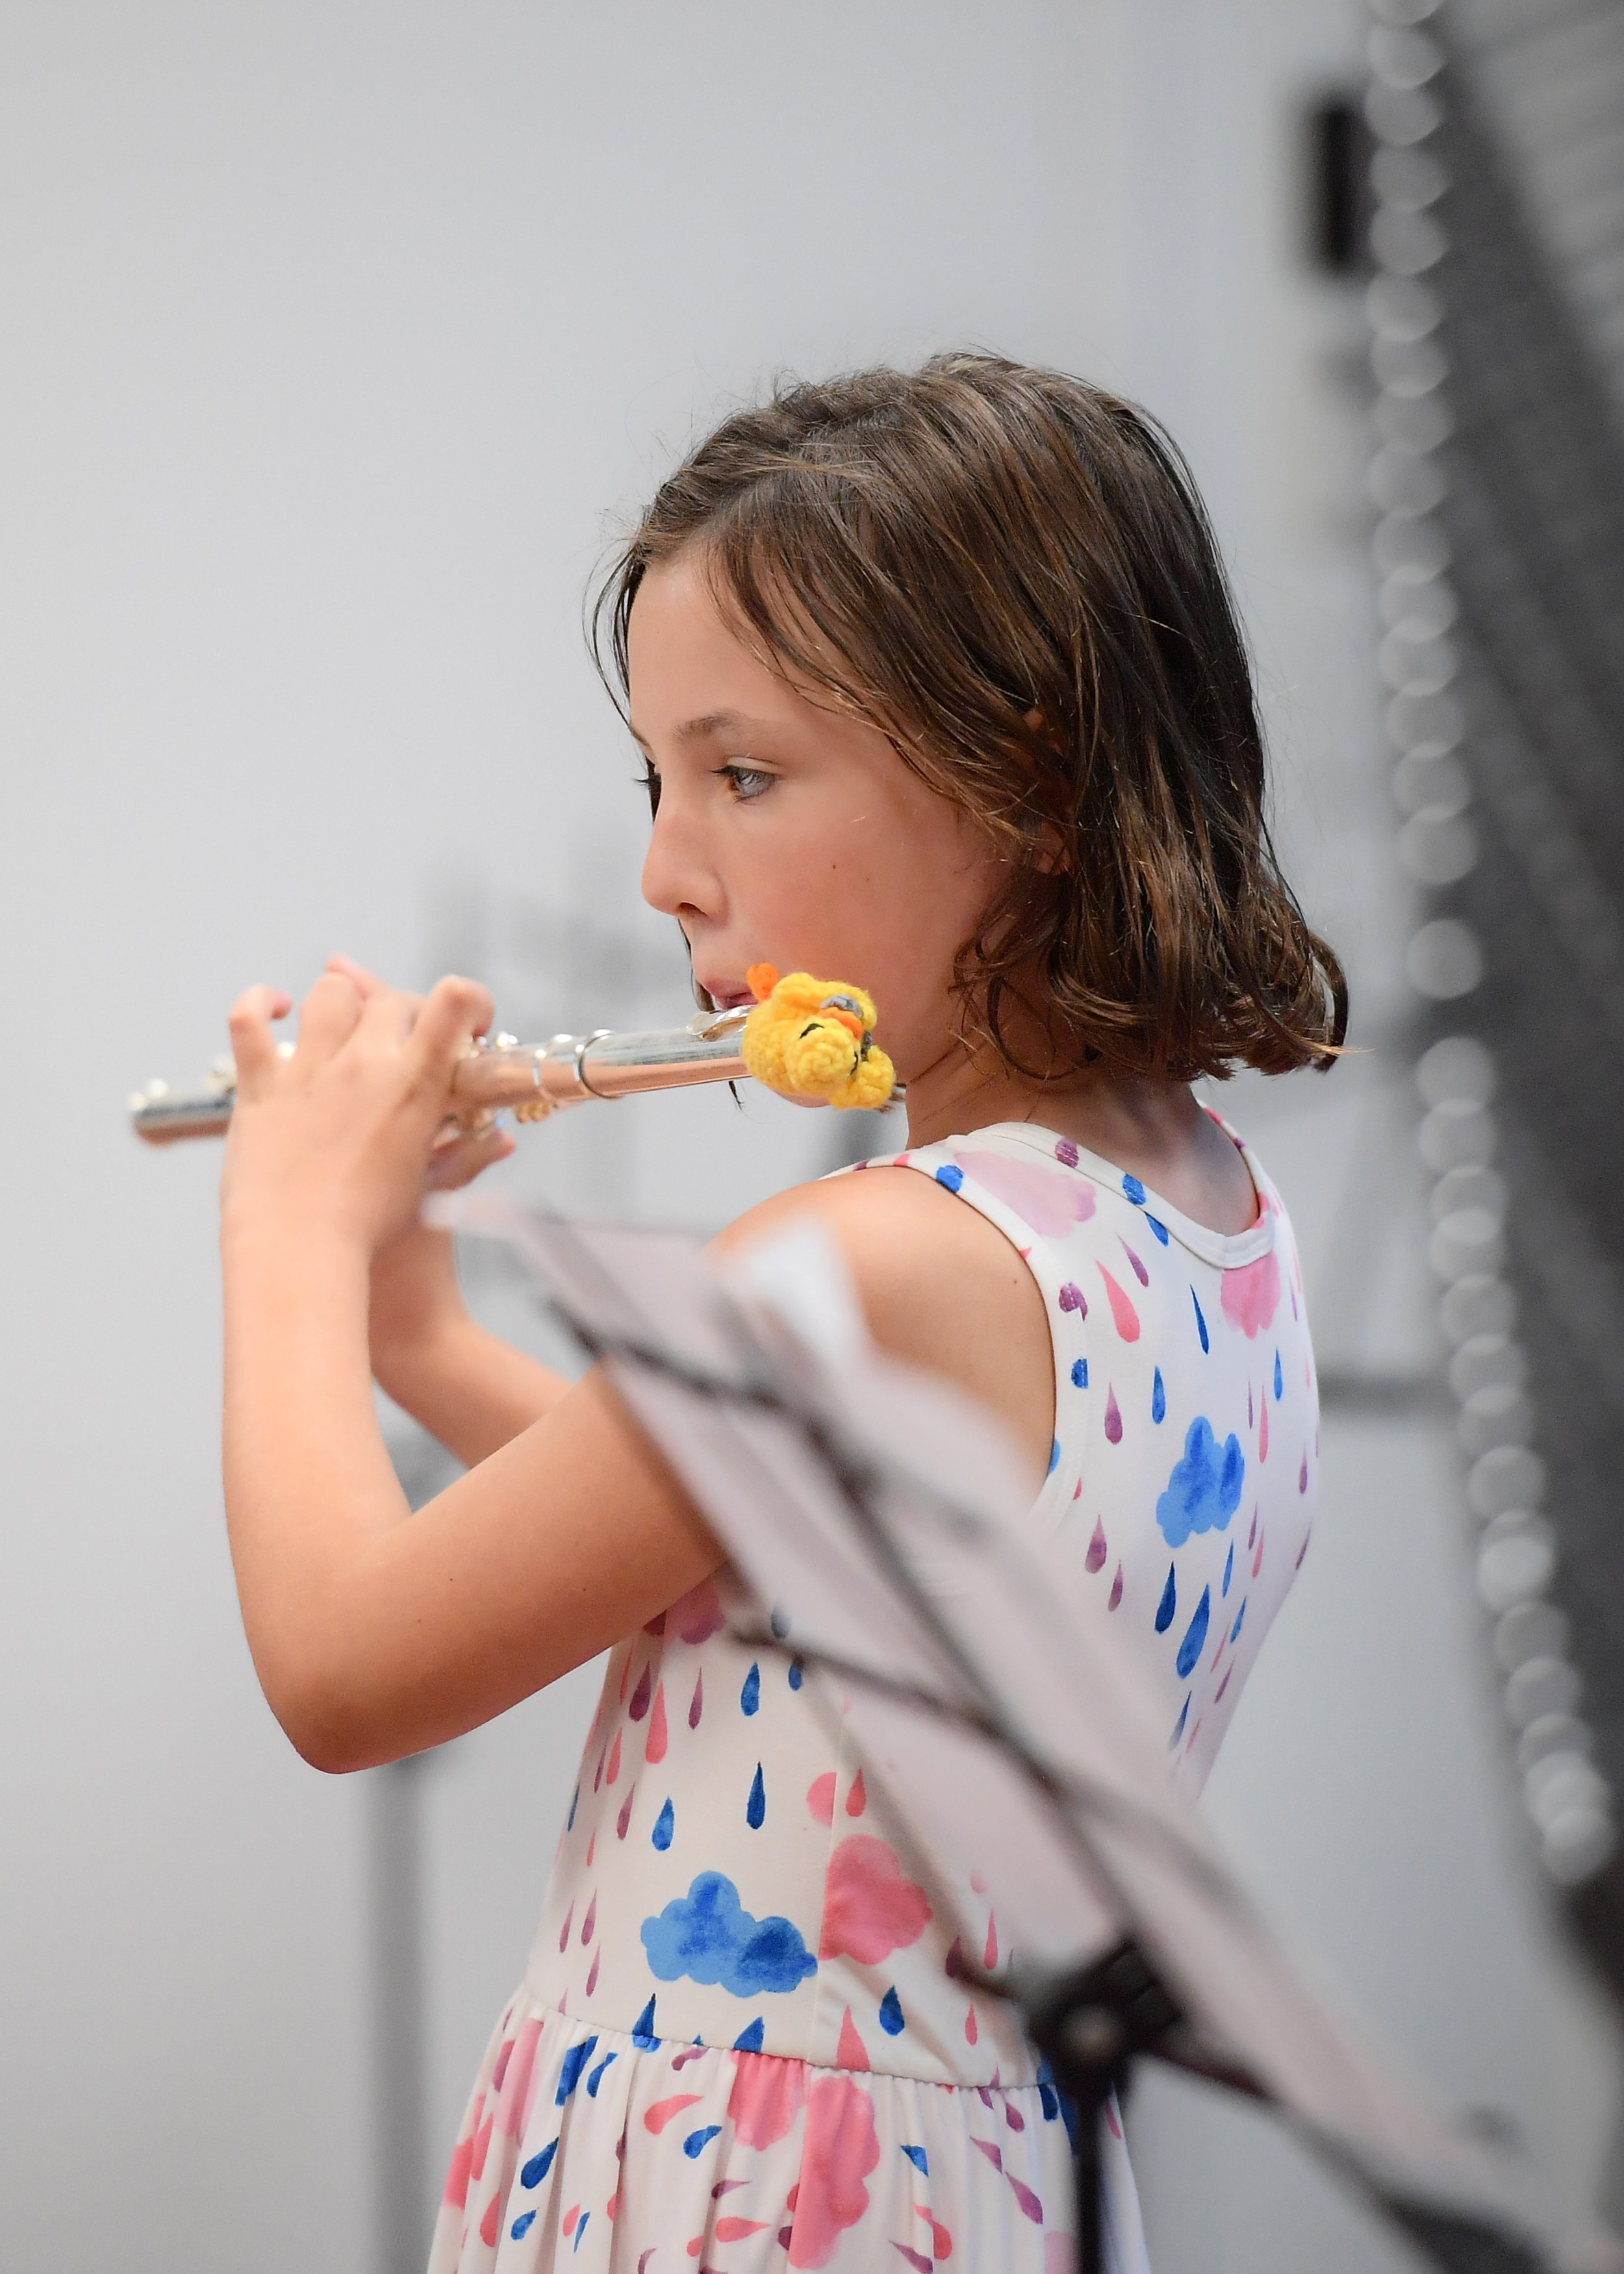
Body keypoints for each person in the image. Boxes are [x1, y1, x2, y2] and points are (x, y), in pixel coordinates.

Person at [218, 354, 1345, 2272]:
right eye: (659, 781)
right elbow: (743, 1573)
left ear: (1031, 782)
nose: (669, 873)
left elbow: (343, 1672)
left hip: (747, 2197)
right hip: (971, 2192)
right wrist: (412, 1322)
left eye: (741, 776)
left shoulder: (871, 1262)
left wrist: (287, 1230)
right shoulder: (1210, 1219)